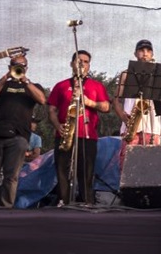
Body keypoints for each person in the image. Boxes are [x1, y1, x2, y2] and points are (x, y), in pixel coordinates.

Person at [0, 55, 46, 208]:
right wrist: (5, 78)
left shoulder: (33, 86)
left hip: (19, 137)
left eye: (22, 65)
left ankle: (6, 209)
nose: (18, 67)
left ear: (27, 68)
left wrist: (25, 81)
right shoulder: (3, 85)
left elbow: (42, 100)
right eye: (15, 65)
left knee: (11, 177)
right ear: (9, 67)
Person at [48, 50, 110, 205]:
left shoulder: (96, 86)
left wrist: (89, 103)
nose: (82, 63)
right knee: (62, 171)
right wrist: (58, 125)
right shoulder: (61, 85)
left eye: (86, 61)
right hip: (65, 134)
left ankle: (87, 203)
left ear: (89, 65)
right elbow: (51, 110)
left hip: (87, 135)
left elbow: (106, 106)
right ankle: (64, 201)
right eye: (78, 60)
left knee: (86, 172)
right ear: (71, 64)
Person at [113, 39, 161, 146]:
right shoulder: (126, 74)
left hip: (152, 127)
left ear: (152, 54)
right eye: (141, 50)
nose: (145, 53)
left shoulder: (159, 75)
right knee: (127, 159)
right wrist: (122, 116)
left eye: (148, 50)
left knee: (151, 161)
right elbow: (116, 100)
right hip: (131, 125)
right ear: (135, 54)